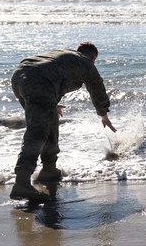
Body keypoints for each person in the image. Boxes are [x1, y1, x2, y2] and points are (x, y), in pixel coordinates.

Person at [10, 41, 116, 201]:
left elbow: (51, 73)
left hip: (20, 76)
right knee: (37, 132)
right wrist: (104, 115)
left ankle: (49, 170)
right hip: (39, 82)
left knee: (48, 122)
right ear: (93, 57)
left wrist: (52, 102)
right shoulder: (86, 63)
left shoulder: (64, 55)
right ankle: (21, 183)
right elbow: (97, 89)